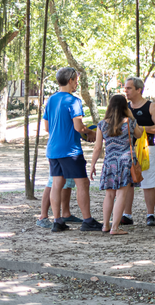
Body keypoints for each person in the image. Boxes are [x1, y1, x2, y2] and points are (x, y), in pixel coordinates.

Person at [43, 66, 99, 232]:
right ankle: (87, 220)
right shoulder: (74, 101)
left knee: (57, 184)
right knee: (83, 183)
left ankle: (57, 221)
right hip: (70, 150)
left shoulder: (51, 100)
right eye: (76, 81)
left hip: (53, 149)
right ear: (70, 80)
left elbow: (47, 127)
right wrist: (90, 132)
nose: (76, 84)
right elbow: (78, 127)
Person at [89, 94, 144, 235]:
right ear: (125, 107)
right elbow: (139, 134)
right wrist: (131, 116)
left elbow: (97, 147)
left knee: (109, 195)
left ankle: (105, 225)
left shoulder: (102, 124)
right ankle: (115, 228)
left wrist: (92, 165)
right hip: (126, 161)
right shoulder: (129, 122)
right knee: (121, 195)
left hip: (110, 162)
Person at [124, 77, 155, 227]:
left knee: (148, 182)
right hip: (127, 149)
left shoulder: (151, 106)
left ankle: (150, 214)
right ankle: (127, 215)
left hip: (147, 149)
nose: (126, 91)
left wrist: (140, 129)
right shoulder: (124, 108)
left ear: (139, 90)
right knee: (128, 183)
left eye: (129, 88)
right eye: (125, 88)